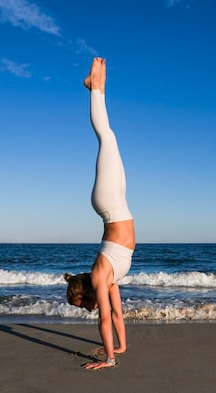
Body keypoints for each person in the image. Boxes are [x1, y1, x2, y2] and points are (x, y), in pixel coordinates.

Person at [64, 57, 135, 371]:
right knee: (112, 137)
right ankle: (99, 86)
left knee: (106, 137)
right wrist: (121, 347)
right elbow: (116, 315)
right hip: (116, 204)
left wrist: (108, 361)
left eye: (83, 305)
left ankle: (94, 88)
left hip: (108, 204)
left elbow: (104, 317)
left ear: (86, 293)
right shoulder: (108, 282)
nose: (89, 310)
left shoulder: (99, 275)